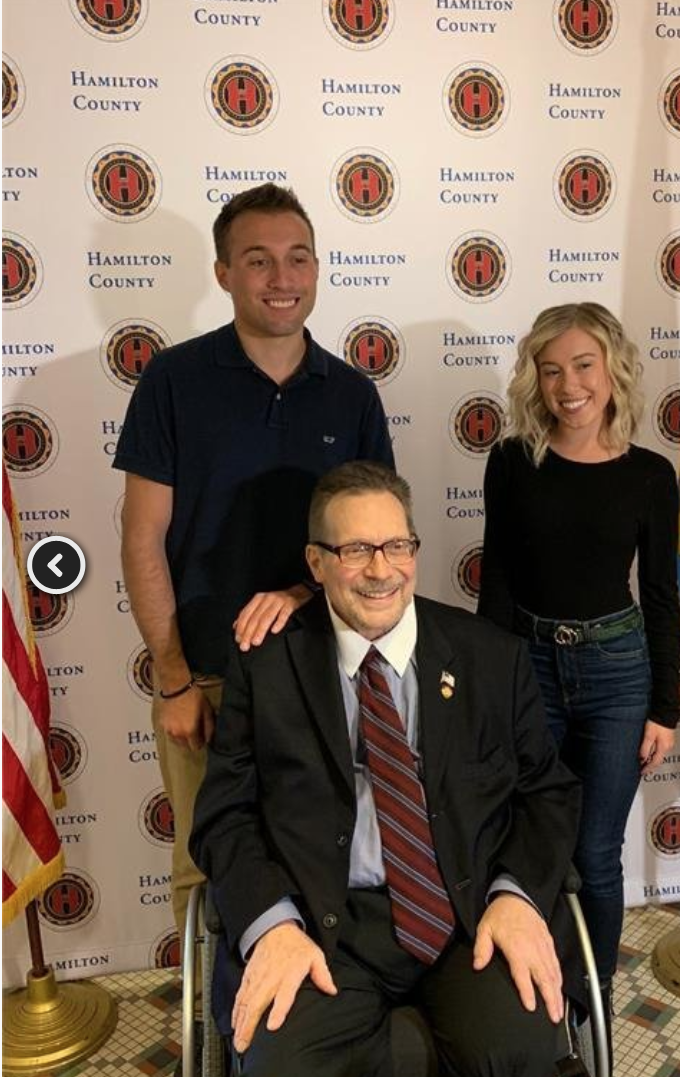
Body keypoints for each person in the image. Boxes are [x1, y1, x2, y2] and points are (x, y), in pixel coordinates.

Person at [190, 461, 581, 1077]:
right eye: (355, 550)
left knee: (525, 1064)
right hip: (321, 925)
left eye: (397, 546)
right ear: (316, 562)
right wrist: (272, 924)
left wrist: (517, 899)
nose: (381, 570)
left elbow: (546, 792)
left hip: (466, 918)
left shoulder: (489, 656)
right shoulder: (266, 665)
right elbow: (226, 815)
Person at [113, 185, 394, 940]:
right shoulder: (172, 382)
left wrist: (301, 590)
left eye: (298, 258)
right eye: (259, 260)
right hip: (205, 676)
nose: (282, 277)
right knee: (205, 865)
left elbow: (373, 546)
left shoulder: (353, 394)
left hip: (326, 674)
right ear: (223, 273)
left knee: (319, 857)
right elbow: (142, 539)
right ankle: (212, 1042)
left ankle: (303, 1037)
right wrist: (174, 679)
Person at [478, 303, 680, 1059]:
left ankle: (587, 1003)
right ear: (534, 376)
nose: (568, 385)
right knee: (533, 841)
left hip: (617, 674)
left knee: (595, 853)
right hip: (528, 666)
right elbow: (496, 578)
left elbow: (661, 595)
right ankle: (536, 991)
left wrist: (664, 704)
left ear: (613, 369)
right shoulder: (510, 461)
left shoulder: (650, 475)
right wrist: (492, 689)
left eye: (583, 366)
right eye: (551, 368)